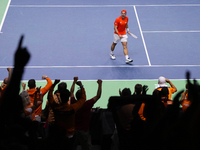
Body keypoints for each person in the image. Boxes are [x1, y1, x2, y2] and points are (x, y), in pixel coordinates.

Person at [47, 79, 86, 150]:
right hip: (70, 135)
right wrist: (81, 86)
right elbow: (83, 99)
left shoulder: (55, 107)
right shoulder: (73, 108)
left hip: (58, 134)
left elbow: (49, 96)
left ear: (60, 96)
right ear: (68, 98)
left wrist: (54, 84)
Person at [70, 77, 102, 150]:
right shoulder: (87, 104)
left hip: (74, 130)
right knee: (87, 147)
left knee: (72, 146)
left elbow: (71, 92)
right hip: (84, 131)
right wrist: (100, 84)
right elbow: (98, 96)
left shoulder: (73, 102)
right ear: (83, 97)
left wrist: (74, 81)